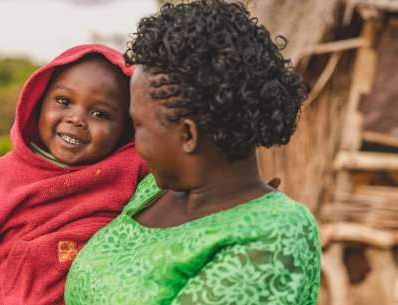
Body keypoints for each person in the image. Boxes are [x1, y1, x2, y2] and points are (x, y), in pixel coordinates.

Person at [65, 1, 321, 305]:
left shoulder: (275, 235)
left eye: (138, 125)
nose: (134, 142)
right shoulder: (151, 190)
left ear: (187, 135)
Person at [0, 44, 147, 305]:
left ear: (126, 128)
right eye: (63, 101)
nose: (76, 119)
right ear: (37, 102)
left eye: (100, 114)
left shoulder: (132, 170)